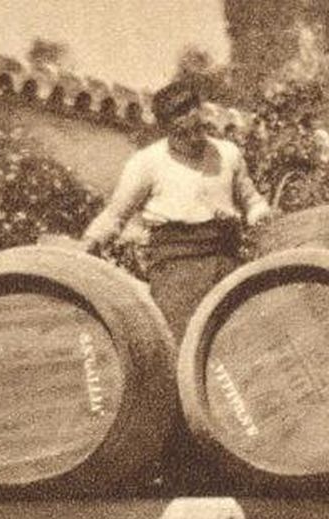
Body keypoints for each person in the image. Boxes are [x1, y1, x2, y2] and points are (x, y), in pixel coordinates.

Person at [80, 80, 272, 338]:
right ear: (166, 127)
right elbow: (115, 215)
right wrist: (88, 246)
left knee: (236, 339)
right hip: (175, 268)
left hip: (225, 260)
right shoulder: (146, 163)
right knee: (184, 343)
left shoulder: (228, 154)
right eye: (180, 123)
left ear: (202, 117)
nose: (192, 133)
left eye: (196, 120)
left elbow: (252, 201)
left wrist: (259, 216)